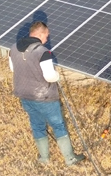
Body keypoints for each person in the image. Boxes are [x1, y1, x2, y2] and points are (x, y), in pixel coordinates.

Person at [9, 21, 85, 166]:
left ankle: (44, 159)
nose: (47, 39)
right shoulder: (42, 52)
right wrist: (57, 76)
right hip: (44, 96)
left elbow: (13, 69)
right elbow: (49, 76)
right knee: (58, 125)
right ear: (40, 34)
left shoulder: (13, 48)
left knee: (37, 125)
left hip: (25, 95)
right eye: (46, 36)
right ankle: (70, 158)